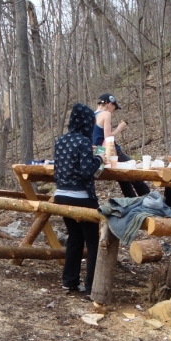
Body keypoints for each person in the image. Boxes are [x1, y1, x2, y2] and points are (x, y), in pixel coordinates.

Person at [54, 103, 106, 294]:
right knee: (93, 242)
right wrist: (100, 158)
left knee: (75, 238)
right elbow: (87, 172)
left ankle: (69, 281)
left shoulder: (60, 141)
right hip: (81, 197)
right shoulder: (84, 142)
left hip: (60, 196)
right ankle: (92, 286)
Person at [92, 93, 150, 198]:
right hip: (111, 152)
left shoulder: (91, 115)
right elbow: (108, 137)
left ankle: (132, 202)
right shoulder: (106, 114)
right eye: (114, 108)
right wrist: (119, 128)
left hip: (98, 154)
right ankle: (151, 200)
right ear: (109, 104)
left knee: (123, 180)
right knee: (134, 174)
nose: (113, 111)